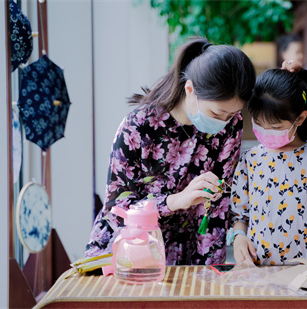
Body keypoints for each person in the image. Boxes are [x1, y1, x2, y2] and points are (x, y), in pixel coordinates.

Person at [84, 37, 259, 265]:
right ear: (190, 89)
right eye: (217, 114)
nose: (225, 123)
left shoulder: (231, 124)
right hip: (130, 249)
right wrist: (175, 201)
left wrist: (209, 276)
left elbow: (217, 205)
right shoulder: (138, 126)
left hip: (188, 251)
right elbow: (117, 209)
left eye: (231, 114)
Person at [228, 68, 307, 266]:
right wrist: (238, 237)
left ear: (300, 118)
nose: (266, 132)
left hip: (306, 269)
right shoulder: (250, 159)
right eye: (259, 123)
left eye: (276, 127)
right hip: (255, 270)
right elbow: (239, 212)